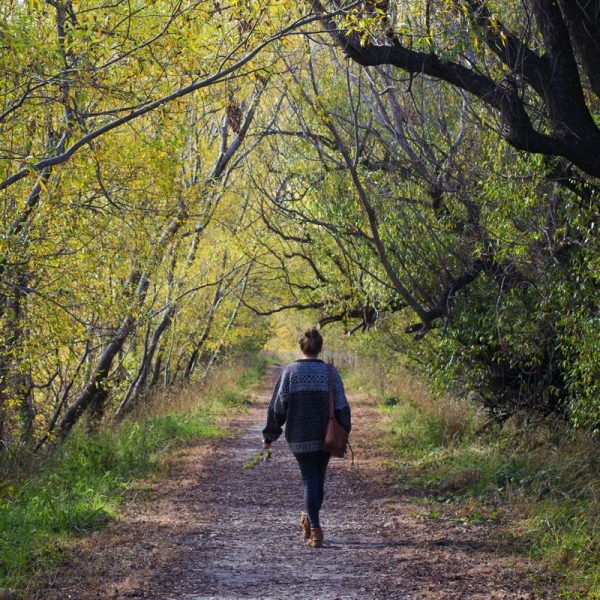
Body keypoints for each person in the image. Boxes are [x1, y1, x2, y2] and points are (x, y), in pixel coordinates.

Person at [261, 327, 351, 548]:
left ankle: (314, 527)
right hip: (326, 435)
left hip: (299, 436)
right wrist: (344, 431)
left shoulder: (290, 372)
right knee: (317, 482)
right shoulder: (331, 372)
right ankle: (313, 524)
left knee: (311, 481)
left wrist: (270, 434)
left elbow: (278, 406)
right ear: (320, 348)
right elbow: (341, 405)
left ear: (301, 347)